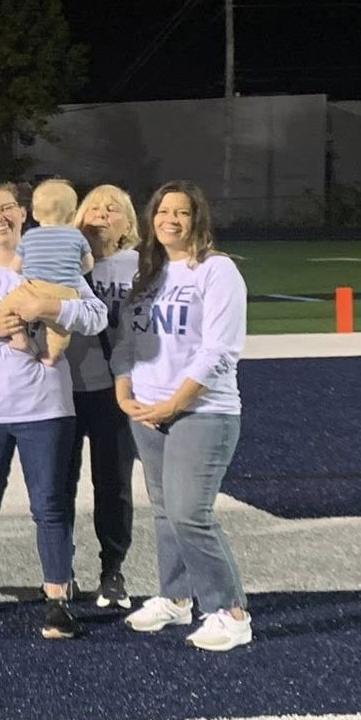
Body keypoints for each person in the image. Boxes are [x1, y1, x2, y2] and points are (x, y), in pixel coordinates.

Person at [0, 183, 109, 640]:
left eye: (6, 208)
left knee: (50, 506)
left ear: (23, 214)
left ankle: (57, 598)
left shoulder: (53, 261)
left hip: (46, 407)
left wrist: (50, 306)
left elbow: (95, 316)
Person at [114, 180, 254, 651]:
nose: (171, 220)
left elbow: (220, 351)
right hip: (147, 409)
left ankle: (230, 610)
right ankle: (175, 598)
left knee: (189, 513)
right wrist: (123, 390)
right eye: (162, 211)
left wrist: (175, 402)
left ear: (199, 219)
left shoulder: (217, 272)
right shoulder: (149, 273)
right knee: (162, 512)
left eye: (182, 212)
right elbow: (129, 342)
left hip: (202, 411)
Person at [65, 183, 141, 609]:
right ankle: (61, 570)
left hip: (116, 390)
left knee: (113, 484)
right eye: (93, 206)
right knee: (60, 484)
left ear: (127, 223)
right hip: (64, 388)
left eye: (112, 208)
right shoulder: (62, 261)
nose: (101, 213)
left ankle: (113, 571)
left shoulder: (141, 265)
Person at [0, 178, 92, 364]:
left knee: (5, 308)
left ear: (35, 214)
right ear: (72, 215)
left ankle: (19, 337)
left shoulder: (30, 236)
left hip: (35, 288)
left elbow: (16, 266)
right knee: (60, 330)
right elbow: (88, 263)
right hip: (65, 292)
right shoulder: (76, 236)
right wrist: (74, 272)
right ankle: (51, 355)